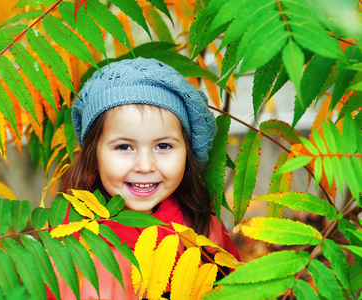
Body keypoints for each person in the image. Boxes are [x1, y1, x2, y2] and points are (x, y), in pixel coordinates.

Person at [48, 57, 239, 299]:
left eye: (163, 146)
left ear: (188, 152)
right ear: (93, 155)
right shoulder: (79, 245)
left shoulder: (202, 223)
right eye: (124, 147)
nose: (145, 166)